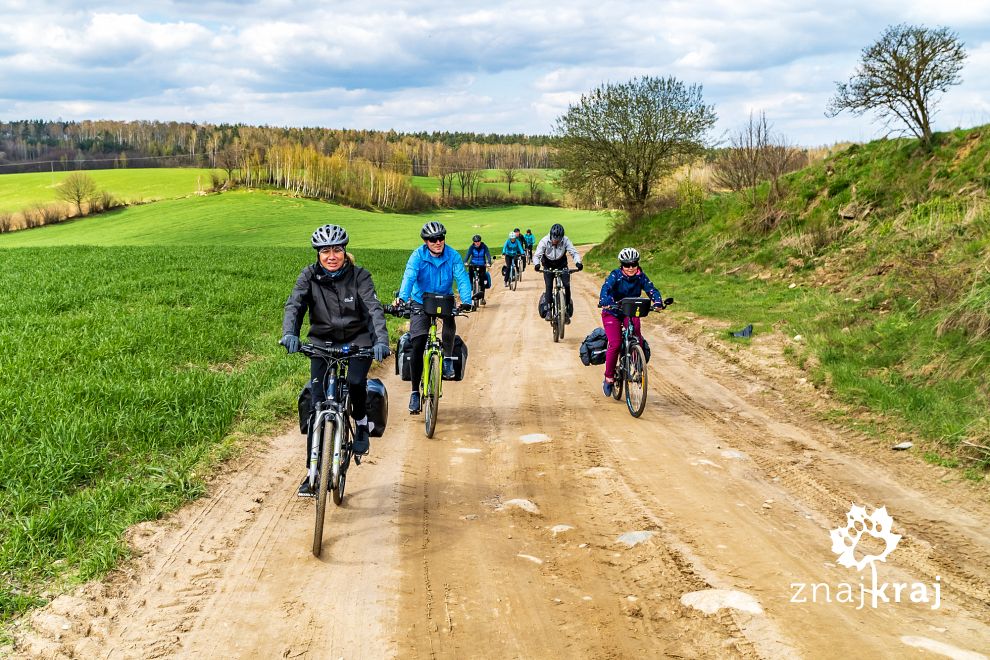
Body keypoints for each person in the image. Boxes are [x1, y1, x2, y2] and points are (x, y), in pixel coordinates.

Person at [280, 224, 390, 497]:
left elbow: (374, 309)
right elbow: (295, 305)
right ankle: (311, 474)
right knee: (317, 404)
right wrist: (290, 334)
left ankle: (362, 423)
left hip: (358, 340)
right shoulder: (308, 276)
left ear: (345, 251)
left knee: (355, 382)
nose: (332, 256)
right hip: (321, 342)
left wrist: (380, 342)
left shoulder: (360, 276)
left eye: (337, 250)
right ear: (318, 253)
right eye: (325, 251)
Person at [396, 221, 473, 413]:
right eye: (433, 239)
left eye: (441, 238)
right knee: (418, 342)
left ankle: (447, 358)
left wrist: (467, 300)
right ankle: (414, 392)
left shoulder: (453, 255)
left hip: (444, 298)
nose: (438, 242)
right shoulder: (417, 256)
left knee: (449, 322)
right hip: (420, 300)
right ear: (425, 241)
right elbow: (409, 276)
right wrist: (402, 298)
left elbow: (461, 277)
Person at [597, 248, 665, 397]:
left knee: (637, 336)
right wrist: (605, 301)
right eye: (627, 265)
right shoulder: (616, 275)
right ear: (622, 265)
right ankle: (608, 378)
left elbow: (651, 289)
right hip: (612, 312)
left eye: (634, 264)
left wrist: (658, 302)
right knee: (615, 343)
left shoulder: (641, 277)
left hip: (632, 311)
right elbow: (606, 288)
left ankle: (636, 365)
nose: (631, 268)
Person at [534, 223, 582, 323]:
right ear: (551, 235)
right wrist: (537, 264)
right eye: (554, 238)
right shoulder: (544, 241)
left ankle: (567, 309)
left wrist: (578, 262)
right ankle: (548, 311)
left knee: (567, 285)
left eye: (559, 238)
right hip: (548, 265)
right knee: (549, 286)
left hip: (561, 264)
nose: (556, 240)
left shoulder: (566, 240)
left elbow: (574, 252)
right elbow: (537, 255)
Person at [463, 234, 492, 306]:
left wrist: (488, 262)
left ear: (480, 241)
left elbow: (488, 255)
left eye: (478, 241)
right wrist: (465, 262)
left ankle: (482, 298)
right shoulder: (471, 247)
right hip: (473, 264)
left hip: (482, 265)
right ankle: (471, 286)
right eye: (475, 242)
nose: (477, 243)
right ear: (473, 242)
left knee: (482, 282)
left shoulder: (484, 247)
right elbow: (468, 255)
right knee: (470, 274)